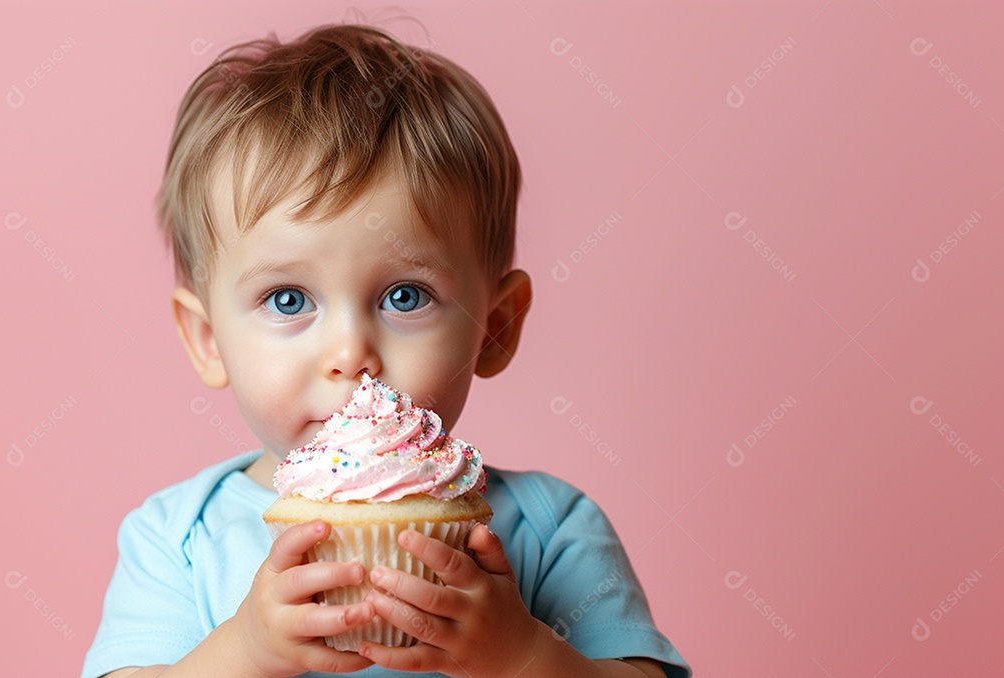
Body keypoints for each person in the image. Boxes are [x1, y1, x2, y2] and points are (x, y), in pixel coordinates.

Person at [82, 22, 691, 678]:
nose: (351, 354)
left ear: (495, 326)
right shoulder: (178, 540)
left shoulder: (552, 532)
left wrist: (524, 655)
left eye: (405, 296)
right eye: (289, 300)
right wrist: (246, 651)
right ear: (208, 340)